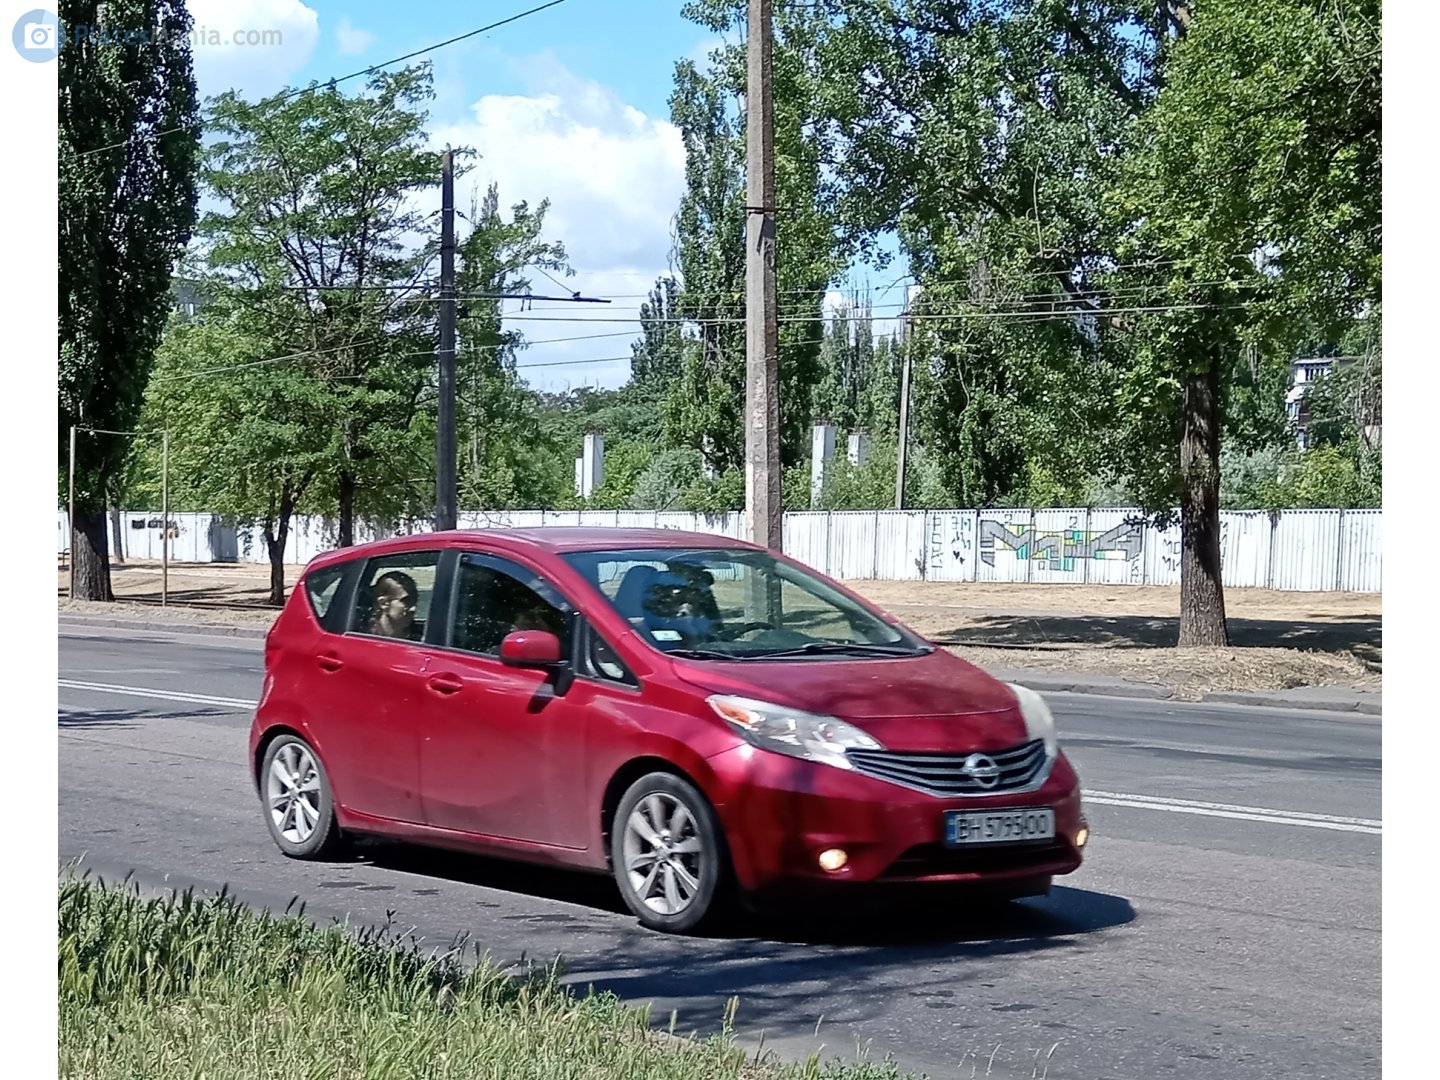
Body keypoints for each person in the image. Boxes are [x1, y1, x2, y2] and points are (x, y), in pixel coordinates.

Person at [368, 571, 420, 640]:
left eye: (414, 601)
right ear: (383, 603)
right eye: (406, 601)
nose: (413, 609)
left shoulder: (421, 638)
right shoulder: (364, 638)